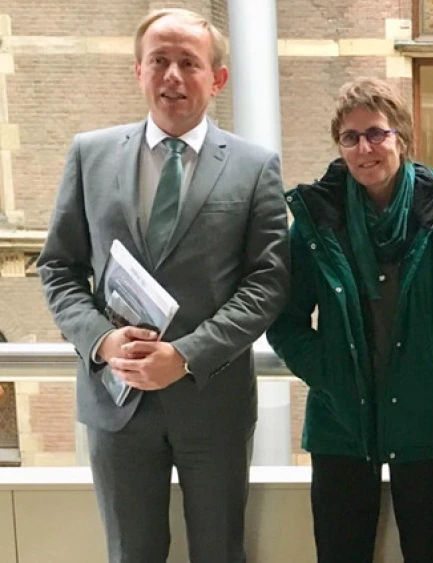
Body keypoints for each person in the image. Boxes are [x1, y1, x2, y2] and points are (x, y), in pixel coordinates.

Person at [36, 9, 290, 562]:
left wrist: (186, 354)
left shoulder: (254, 166)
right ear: (139, 71)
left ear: (217, 79)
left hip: (211, 402)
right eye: (159, 60)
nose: (172, 75)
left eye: (188, 63)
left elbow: (267, 284)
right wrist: (102, 341)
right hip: (117, 402)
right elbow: (57, 267)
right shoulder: (90, 154)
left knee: (220, 552)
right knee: (132, 554)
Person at [266, 77, 433, 563]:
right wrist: (326, 372)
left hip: (428, 417)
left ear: (402, 139)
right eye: (350, 137)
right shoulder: (315, 217)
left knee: (430, 552)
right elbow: (283, 318)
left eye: (376, 133)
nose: (364, 147)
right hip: (341, 421)